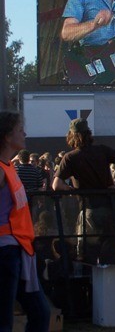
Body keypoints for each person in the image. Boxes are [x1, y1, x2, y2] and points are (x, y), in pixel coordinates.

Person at [52, 118, 115, 264]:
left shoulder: (70, 157)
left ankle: (89, 283)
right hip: (110, 208)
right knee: (110, 252)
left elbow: (56, 185)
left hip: (88, 210)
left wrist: (70, 190)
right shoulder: (102, 150)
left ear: (72, 136)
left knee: (87, 255)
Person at [0, 111, 50, 332]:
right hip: (5, 252)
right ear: (7, 136)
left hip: (17, 249)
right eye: (20, 129)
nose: (25, 133)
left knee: (40, 313)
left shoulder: (8, 166)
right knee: (4, 319)